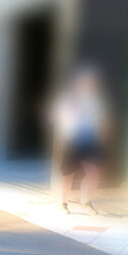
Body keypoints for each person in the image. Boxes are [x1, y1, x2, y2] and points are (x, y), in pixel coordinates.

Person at [51, 66, 109, 215]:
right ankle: (62, 203)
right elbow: (60, 118)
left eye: (92, 83)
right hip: (72, 140)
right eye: (85, 82)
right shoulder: (69, 99)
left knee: (93, 172)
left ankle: (86, 202)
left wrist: (101, 137)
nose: (89, 85)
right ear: (78, 83)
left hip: (91, 141)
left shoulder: (97, 101)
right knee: (67, 174)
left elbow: (102, 120)